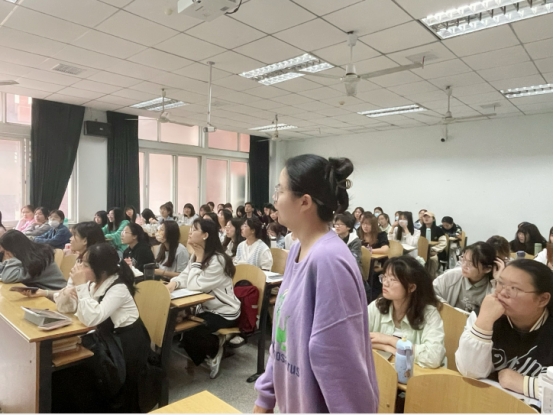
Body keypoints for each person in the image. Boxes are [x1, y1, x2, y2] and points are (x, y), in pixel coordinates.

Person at [254, 154, 378, 413]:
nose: (275, 199)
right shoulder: (298, 249)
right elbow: (282, 341)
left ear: (305, 202)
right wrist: (264, 400)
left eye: (280, 190)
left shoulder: (329, 260)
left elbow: (342, 365)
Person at [52, 243, 153, 413]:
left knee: (80, 375)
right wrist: (68, 292)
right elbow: (70, 310)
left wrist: (80, 287)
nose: (80, 268)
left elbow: (93, 318)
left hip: (126, 345)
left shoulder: (118, 288)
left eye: (85, 265)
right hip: (106, 339)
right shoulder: (93, 283)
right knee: (67, 373)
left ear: (102, 270)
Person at [455, 260, 552, 400]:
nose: (502, 292)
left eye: (514, 288)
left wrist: (525, 384)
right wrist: (484, 322)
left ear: (543, 299)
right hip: (486, 401)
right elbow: (469, 372)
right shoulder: (484, 315)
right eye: (500, 283)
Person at [166, 219, 240, 379]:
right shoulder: (197, 255)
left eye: (194, 229)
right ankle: (209, 346)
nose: (189, 232)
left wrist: (199, 260)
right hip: (206, 307)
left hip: (224, 311)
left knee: (191, 333)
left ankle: (215, 351)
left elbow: (194, 286)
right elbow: (185, 276)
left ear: (205, 235)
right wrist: (173, 283)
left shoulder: (218, 260)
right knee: (180, 329)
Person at [368, 256, 445, 369]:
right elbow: (356, 339)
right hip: (381, 372)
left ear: (411, 287)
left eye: (393, 279)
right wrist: (387, 347)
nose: (385, 283)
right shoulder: (377, 306)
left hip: (412, 376)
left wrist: (390, 340)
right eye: (384, 277)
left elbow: (434, 357)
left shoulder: (429, 314)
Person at [433, 242, 498, 313]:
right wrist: (445, 306)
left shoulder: (493, 287)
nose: (464, 265)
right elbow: (431, 292)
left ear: (487, 269)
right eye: (463, 259)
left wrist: (498, 280)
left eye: (470, 263)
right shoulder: (452, 276)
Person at [0, 229, 66, 290]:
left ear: (14, 249)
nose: (5, 254)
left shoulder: (39, 258)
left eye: (6, 252)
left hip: (55, 294)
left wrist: (11, 259)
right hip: (40, 291)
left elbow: (8, 277)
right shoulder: (27, 254)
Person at [420, 211, 447, 279]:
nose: (426, 218)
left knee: (433, 259)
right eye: (424, 217)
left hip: (435, 252)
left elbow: (443, 243)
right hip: (422, 252)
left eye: (428, 217)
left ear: (433, 219)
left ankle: (432, 278)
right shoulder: (420, 230)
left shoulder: (438, 230)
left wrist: (434, 250)